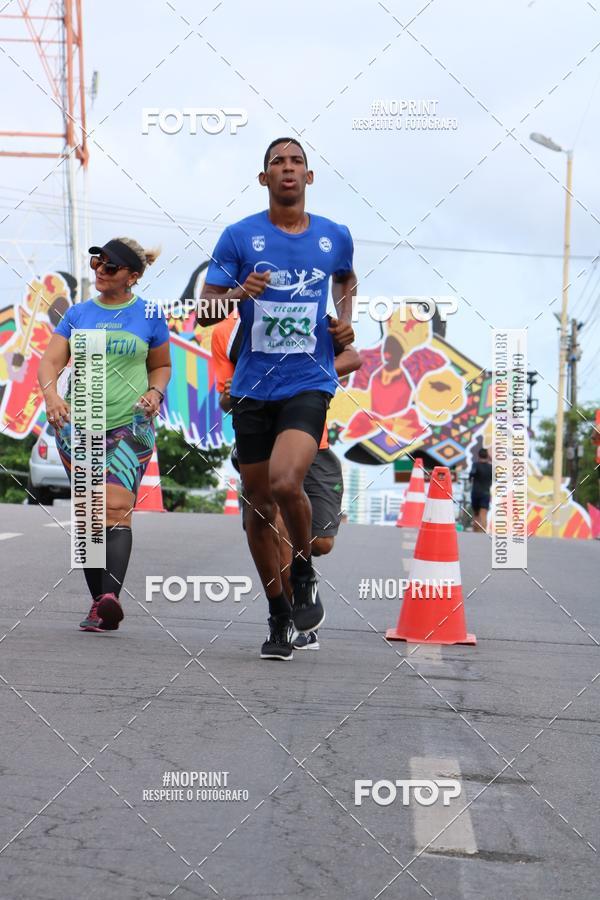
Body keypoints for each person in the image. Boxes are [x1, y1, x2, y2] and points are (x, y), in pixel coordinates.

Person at [199, 137, 356, 660]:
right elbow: (205, 308)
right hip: (252, 388)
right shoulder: (239, 236)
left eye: (296, 163)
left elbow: (347, 280)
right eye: (276, 164)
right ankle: (279, 615)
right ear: (264, 179)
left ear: (309, 178)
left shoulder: (335, 236)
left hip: (308, 382)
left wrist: (344, 324)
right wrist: (240, 292)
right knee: (257, 511)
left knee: (288, 481)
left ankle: (305, 573)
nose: (287, 169)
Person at [38, 238, 171, 631]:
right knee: (87, 518)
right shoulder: (78, 314)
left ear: (132, 276)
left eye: (111, 266)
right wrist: (50, 397)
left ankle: (110, 595)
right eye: (97, 260)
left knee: (113, 507)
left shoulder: (148, 313)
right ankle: (100, 605)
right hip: (77, 422)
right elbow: (50, 362)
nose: (100, 269)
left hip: (131, 425)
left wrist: (155, 392)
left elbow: (161, 366)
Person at [211, 311, 361, 653]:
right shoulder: (225, 331)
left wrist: (300, 377)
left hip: (312, 442)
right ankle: (284, 616)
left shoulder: (309, 310)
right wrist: (245, 386)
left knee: (320, 542)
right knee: (269, 519)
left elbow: (353, 357)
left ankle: (302, 572)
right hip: (259, 437)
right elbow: (224, 397)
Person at [469, 447, 492, 533]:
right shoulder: (491, 467)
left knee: (476, 514)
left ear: (478, 456)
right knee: (484, 514)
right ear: (487, 456)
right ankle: (483, 533)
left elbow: (471, 475)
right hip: (485, 493)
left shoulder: (475, 465)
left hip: (475, 492)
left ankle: (476, 532)